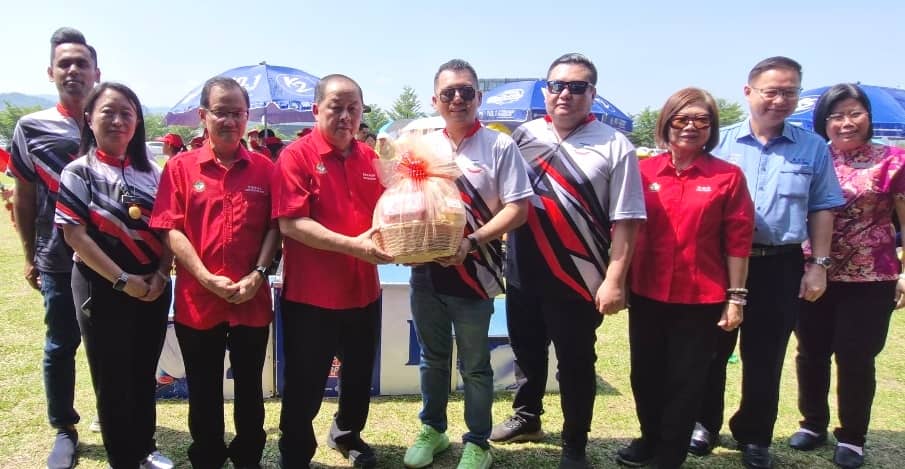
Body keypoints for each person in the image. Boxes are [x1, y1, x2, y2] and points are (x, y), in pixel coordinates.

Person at [490, 53, 647, 469]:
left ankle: (574, 441)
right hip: (523, 270)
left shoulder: (615, 145)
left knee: (577, 363)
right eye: (558, 85)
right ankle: (527, 418)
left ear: (592, 93)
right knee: (526, 354)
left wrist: (615, 279)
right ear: (546, 90)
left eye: (577, 87)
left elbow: (628, 221)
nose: (565, 94)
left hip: (579, 278)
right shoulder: (522, 135)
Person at [691, 56, 845, 469]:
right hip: (719, 263)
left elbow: (823, 207)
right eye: (771, 91)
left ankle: (755, 434)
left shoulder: (812, 147)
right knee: (710, 349)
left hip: (781, 263)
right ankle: (703, 423)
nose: (780, 99)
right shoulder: (717, 142)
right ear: (748, 92)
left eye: (790, 91)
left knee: (765, 354)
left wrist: (819, 265)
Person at [402, 59, 533, 469]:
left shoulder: (499, 146)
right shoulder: (421, 142)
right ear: (435, 100)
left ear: (478, 97)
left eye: (466, 91)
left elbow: (519, 209)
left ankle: (478, 441)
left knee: (475, 366)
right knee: (431, 359)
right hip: (425, 271)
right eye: (448, 93)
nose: (457, 99)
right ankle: (434, 430)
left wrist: (473, 240)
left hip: (476, 273)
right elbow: (402, 196)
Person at [615, 88, 754, 469]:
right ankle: (649, 436)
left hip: (701, 297)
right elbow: (624, 229)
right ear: (666, 123)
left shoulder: (727, 177)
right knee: (645, 373)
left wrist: (736, 297)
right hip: (646, 291)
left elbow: (738, 241)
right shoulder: (642, 172)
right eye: (682, 118)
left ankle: (669, 454)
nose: (691, 126)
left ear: (712, 127)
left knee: (686, 379)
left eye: (701, 120)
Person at [150, 76, 279, 469]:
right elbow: (170, 227)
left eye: (237, 113)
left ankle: (247, 456)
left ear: (248, 117)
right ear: (203, 116)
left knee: (250, 390)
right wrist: (205, 277)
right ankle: (206, 455)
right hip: (198, 300)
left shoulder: (264, 168)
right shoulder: (180, 167)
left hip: (250, 299)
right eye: (221, 112)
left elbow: (276, 227)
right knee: (204, 390)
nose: (230, 120)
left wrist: (258, 273)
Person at [272, 74, 390, 469]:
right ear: (316, 109)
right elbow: (291, 224)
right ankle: (295, 454)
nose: (344, 116)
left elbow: (389, 215)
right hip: (312, 298)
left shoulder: (372, 159)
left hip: (363, 293)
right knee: (305, 385)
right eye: (335, 107)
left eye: (352, 108)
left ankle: (347, 433)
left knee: (358, 377)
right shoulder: (296, 156)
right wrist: (355, 246)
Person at [54, 81, 173, 469]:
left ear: (137, 123)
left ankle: (145, 447)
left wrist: (159, 273)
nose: (119, 120)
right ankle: (123, 458)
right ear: (89, 118)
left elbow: (169, 228)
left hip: (152, 287)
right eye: (109, 112)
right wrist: (123, 279)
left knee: (143, 372)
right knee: (112, 377)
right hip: (101, 286)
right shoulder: (78, 171)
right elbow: (75, 235)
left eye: (128, 113)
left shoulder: (154, 173)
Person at [788, 84, 905, 469]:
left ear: (868, 117)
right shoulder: (815, 158)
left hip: (871, 278)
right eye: (835, 116)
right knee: (811, 353)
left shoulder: (893, 160)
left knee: (856, 358)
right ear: (824, 122)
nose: (845, 123)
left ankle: (852, 436)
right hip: (812, 273)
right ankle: (812, 424)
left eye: (854, 113)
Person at [8, 27, 100, 469]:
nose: (73, 70)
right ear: (50, 72)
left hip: (111, 257)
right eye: (65, 63)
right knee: (60, 345)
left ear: (96, 72)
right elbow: (24, 195)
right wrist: (29, 254)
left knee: (115, 347)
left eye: (82, 63)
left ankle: (122, 421)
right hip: (57, 257)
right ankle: (64, 429)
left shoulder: (114, 120)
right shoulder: (31, 127)